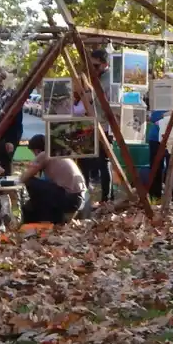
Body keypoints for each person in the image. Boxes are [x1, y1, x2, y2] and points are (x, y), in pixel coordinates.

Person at [20, 134, 87, 224]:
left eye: (33, 152)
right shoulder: (58, 154)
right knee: (41, 189)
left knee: (30, 182)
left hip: (69, 198)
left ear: (37, 150)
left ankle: (39, 217)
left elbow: (24, 177)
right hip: (79, 198)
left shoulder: (44, 154)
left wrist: (19, 177)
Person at [86, 49, 113, 202]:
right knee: (99, 162)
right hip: (99, 124)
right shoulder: (99, 78)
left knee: (104, 162)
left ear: (104, 64)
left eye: (96, 66)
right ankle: (107, 196)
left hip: (107, 126)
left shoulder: (110, 79)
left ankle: (106, 198)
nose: (93, 69)